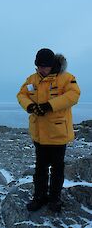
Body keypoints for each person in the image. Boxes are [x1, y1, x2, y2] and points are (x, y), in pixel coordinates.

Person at [17, 48, 80, 212]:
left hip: (58, 133)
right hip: (39, 134)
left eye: (45, 66)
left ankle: (55, 199)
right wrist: (30, 106)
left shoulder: (66, 78)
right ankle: (39, 197)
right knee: (40, 168)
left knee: (57, 169)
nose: (41, 70)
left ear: (52, 65)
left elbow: (73, 96)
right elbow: (21, 94)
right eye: (38, 66)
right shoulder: (32, 80)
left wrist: (49, 106)